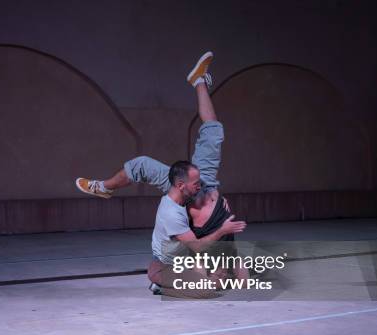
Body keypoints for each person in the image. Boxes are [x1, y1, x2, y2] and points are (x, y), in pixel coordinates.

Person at [75, 51, 249, 298]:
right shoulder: (221, 238)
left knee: (142, 164)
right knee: (212, 130)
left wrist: (213, 275)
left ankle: (104, 188)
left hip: (192, 192)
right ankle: (199, 80)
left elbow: (197, 248)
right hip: (203, 183)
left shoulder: (182, 211)